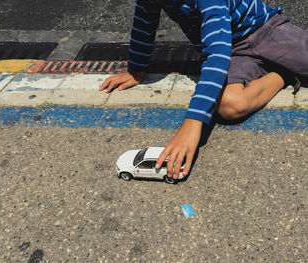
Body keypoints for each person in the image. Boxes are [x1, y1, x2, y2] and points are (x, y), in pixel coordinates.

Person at [99, 0, 308, 181]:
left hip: (266, 31)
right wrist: (137, 69)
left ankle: (286, 64)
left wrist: (192, 122)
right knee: (229, 105)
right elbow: (144, 22)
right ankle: (285, 74)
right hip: (234, 51)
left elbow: (216, 56)